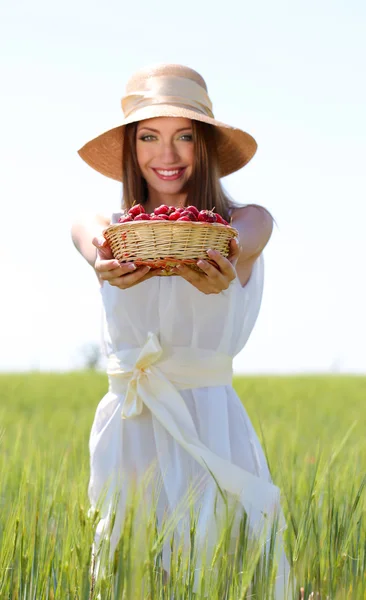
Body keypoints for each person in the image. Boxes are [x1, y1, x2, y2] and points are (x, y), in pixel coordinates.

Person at [72, 63, 295, 598]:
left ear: (207, 147)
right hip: (130, 426)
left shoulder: (248, 220)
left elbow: (245, 236)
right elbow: (86, 232)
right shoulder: (110, 228)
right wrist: (100, 256)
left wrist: (222, 250)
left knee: (217, 570)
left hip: (209, 423)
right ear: (130, 148)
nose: (166, 155)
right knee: (130, 574)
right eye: (148, 137)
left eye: (184, 138)